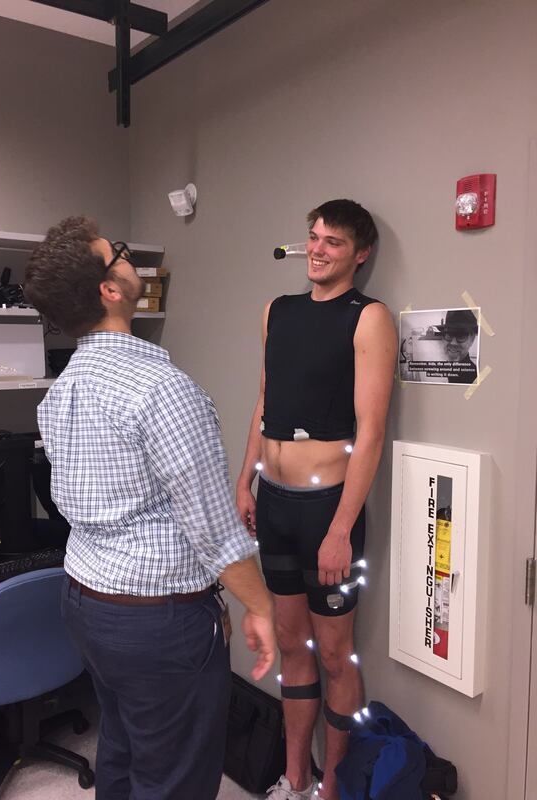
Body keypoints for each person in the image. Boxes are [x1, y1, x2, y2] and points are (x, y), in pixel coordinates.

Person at [23, 216, 276, 800]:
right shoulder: (161, 390)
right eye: (118, 254)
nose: (129, 258)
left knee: (124, 748)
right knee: (175, 779)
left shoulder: (62, 389)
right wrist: (258, 604)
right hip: (156, 623)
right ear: (110, 290)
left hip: (86, 604)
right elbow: (213, 524)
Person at [236, 200, 397, 800]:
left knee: (333, 655)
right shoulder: (278, 311)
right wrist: (243, 480)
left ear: (361, 253)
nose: (318, 249)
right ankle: (294, 778)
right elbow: (263, 398)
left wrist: (340, 528)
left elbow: (371, 431)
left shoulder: (369, 317)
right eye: (313, 237)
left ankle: (331, 786)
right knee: (292, 644)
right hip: (274, 504)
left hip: (328, 510)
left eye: (333, 241)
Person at [436, 309, 478, 384]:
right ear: (443, 337)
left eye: (461, 335)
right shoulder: (438, 370)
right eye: (449, 334)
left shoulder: (475, 378)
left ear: (472, 339)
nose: (453, 343)